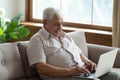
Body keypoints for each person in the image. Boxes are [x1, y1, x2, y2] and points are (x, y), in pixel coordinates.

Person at [27, 7, 119, 80]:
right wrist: (71, 71)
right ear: (45, 23)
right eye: (56, 24)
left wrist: (89, 63)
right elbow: (42, 68)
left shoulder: (65, 36)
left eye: (62, 24)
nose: (60, 28)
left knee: (114, 76)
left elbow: (79, 53)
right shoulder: (37, 40)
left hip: (81, 73)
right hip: (64, 77)